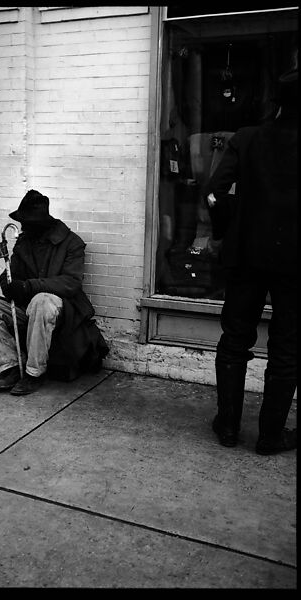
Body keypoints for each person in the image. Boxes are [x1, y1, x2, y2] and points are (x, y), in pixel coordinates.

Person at [205, 63, 298, 455]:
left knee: (235, 341)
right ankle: (270, 436)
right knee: (287, 350)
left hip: (245, 257)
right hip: (294, 263)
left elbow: (215, 192)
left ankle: (228, 428)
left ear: (275, 102)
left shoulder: (246, 138)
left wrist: (229, 230)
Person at [0, 189, 109, 395]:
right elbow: (12, 272)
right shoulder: (25, 241)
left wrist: (29, 286)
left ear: (39, 223)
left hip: (61, 311)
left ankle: (33, 373)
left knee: (41, 300)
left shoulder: (72, 243)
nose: (22, 226)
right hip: (27, 308)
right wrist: (9, 283)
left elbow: (71, 283)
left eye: (26, 222)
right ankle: (11, 366)